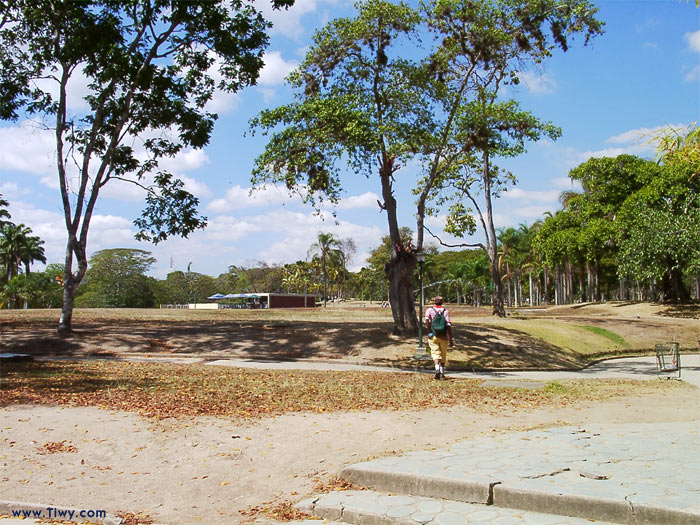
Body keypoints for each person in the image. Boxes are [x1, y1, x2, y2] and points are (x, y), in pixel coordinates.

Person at [424, 296, 453, 380]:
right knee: (443, 354)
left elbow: (426, 320)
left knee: (435, 352)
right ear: (442, 302)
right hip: (444, 336)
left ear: (434, 302)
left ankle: (437, 368)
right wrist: (450, 338)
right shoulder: (445, 311)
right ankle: (442, 372)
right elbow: (448, 325)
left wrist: (429, 331)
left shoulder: (430, 310)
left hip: (433, 335)